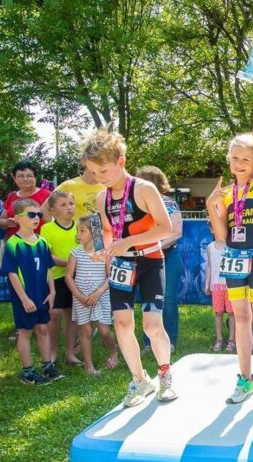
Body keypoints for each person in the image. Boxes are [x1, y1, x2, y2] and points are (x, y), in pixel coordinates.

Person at [85, 129, 177, 408]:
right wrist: (101, 250)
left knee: (152, 326)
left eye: (103, 170)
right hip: (121, 265)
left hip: (150, 260)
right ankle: (139, 379)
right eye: (93, 172)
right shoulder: (101, 197)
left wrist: (128, 242)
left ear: (121, 161)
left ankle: (165, 375)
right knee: (122, 325)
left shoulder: (144, 189)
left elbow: (166, 228)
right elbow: (106, 231)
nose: (99, 177)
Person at [206, 74, 253, 404]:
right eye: (235, 158)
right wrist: (212, 209)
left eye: (246, 159)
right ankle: (245, 379)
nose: (239, 164)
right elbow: (222, 237)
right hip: (234, 259)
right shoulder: (225, 193)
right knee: (242, 318)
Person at [3, 199, 60, 384]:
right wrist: (24, 299)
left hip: (42, 294)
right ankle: (27, 371)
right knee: (25, 331)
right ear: (18, 218)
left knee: (43, 328)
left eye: (38, 214)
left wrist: (52, 291)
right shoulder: (13, 243)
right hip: (25, 297)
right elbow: (12, 274)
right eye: (31, 214)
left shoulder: (42, 242)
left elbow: (49, 269)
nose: (36, 218)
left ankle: (47, 366)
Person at [137, 166, 183, 353]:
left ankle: (169, 342)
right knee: (148, 301)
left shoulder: (169, 204)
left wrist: (155, 245)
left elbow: (176, 233)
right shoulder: (136, 205)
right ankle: (149, 342)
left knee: (169, 300)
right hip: (145, 258)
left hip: (169, 257)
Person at [65, 215, 119, 374]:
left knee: (104, 331)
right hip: (81, 298)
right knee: (85, 331)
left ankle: (113, 353)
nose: (78, 234)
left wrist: (98, 292)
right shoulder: (75, 253)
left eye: (82, 231)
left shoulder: (104, 253)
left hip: (101, 297)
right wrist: (77, 295)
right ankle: (89, 366)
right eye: (77, 230)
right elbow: (68, 276)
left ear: (94, 233)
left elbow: (111, 276)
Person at [40, 190, 81, 366]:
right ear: (52, 210)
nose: (69, 207)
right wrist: (70, 264)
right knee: (54, 313)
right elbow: (47, 255)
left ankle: (70, 352)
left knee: (72, 315)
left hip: (78, 278)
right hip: (56, 277)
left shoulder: (81, 226)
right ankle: (52, 351)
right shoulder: (47, 229)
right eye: (63, 205)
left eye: (71, 204)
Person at [0, 161, 52, 239]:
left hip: (41, 243)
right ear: (15, 178)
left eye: (29, 175)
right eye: (21, 176)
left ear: (35, 177)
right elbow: (1, 220)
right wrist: (7, 222)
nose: (25, 179)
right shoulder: (11, 196)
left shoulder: (48, 196)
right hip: (14, 243)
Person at [204, 225, 236, 352]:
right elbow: (209, 266)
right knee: (218, 312)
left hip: (230, 285)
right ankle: (219, 339)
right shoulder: (210, 247)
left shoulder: (230, 246)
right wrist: (207, 283)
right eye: (215, 228)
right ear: (211, 229)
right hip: (216, 285)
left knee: (232, 312)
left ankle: (232, 340)